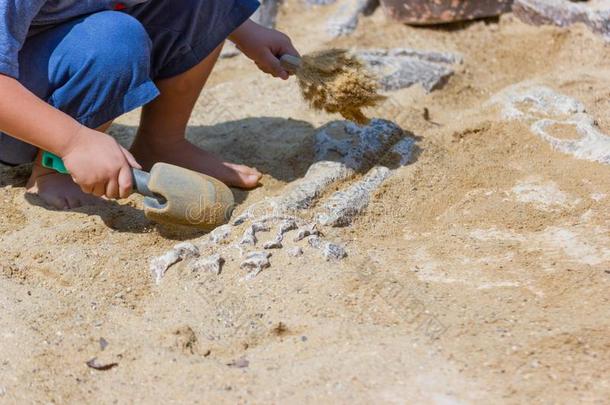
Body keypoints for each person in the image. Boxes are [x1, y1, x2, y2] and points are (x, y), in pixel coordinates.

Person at [0, 0, 299, 209]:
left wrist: (243, 31)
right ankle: (53, 172)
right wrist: (73, 142)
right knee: (114, 40)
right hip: (14, 118)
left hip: (56, 55)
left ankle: (162, 142)